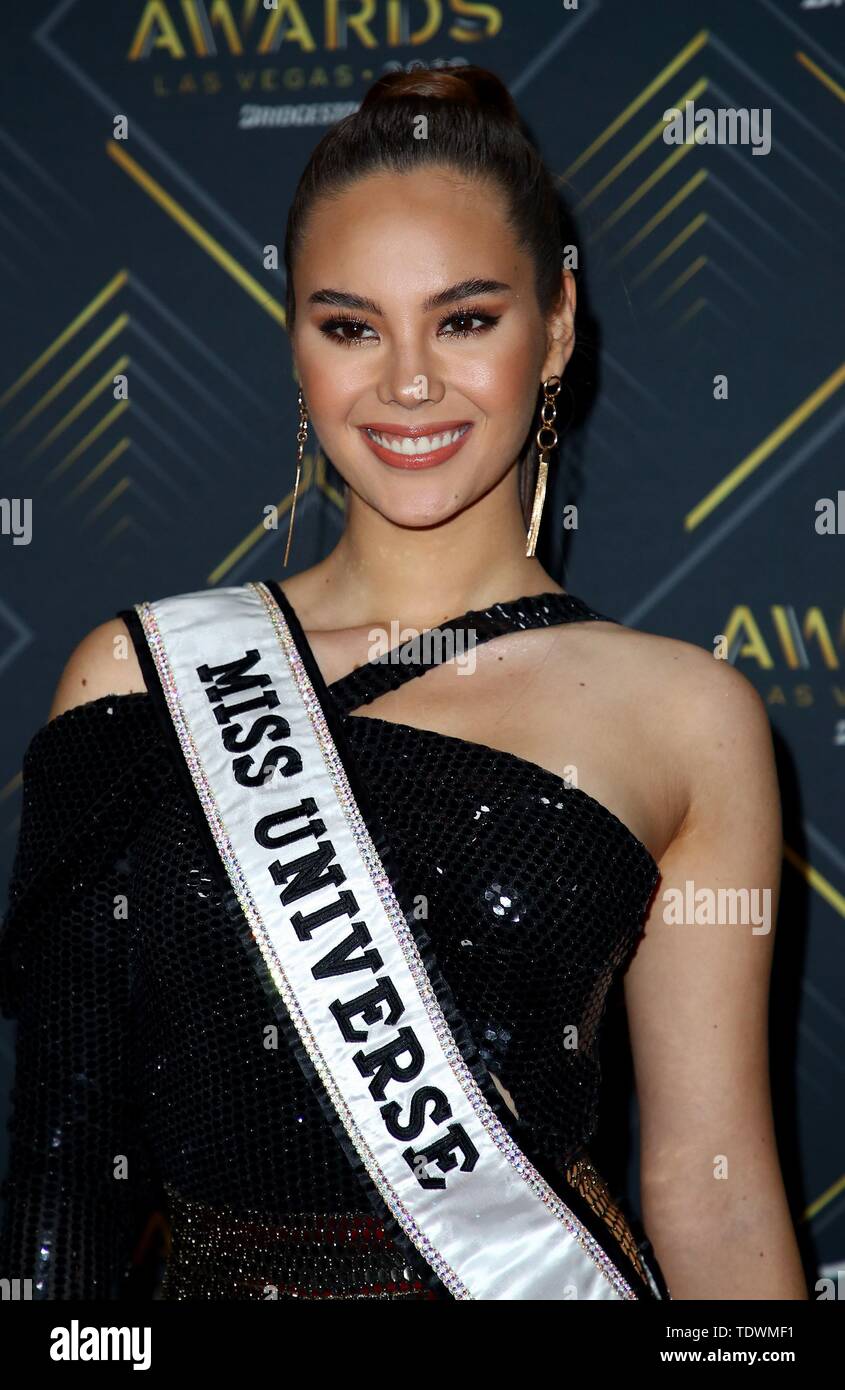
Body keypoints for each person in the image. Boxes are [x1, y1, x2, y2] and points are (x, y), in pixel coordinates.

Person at [0, 65, 806, 1302]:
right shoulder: (137, 677)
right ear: (296, 345)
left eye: (465, 318)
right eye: (349, 325)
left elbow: (713, 1184)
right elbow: (67, 1173)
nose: (408, 382)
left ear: (557, 325)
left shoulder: (687, 717)